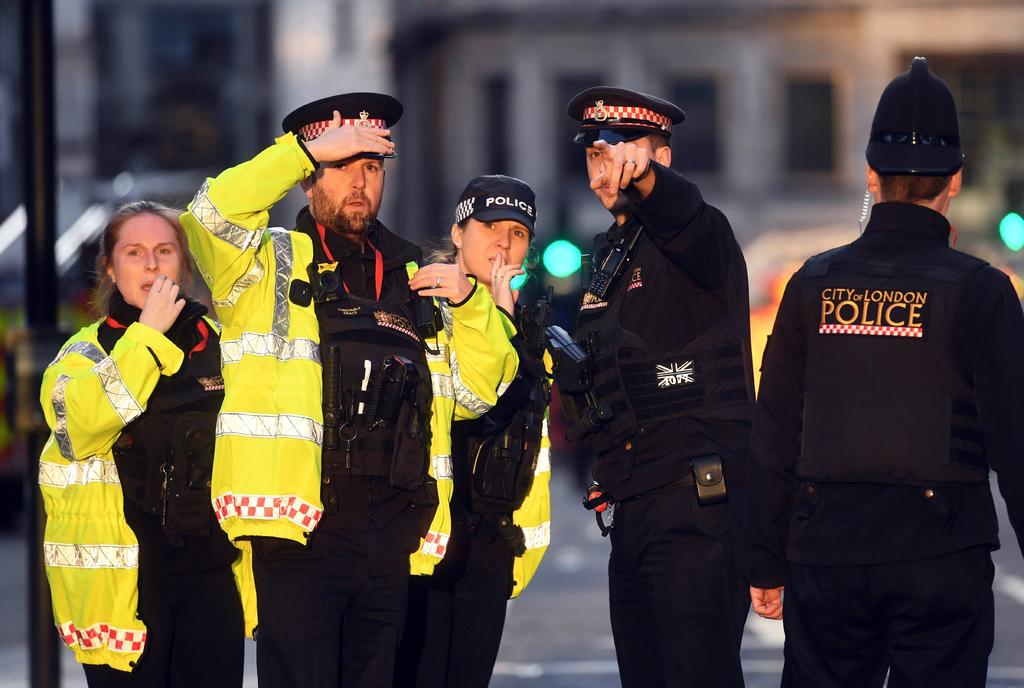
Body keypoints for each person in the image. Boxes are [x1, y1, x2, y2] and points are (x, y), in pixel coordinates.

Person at [179, 92, 519, 687]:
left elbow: (475, 394)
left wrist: (471, 309)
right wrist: (301, 151)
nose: (359, 182)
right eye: (341, 166)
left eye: (371, 166)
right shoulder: (264, 263)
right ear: (310, 181)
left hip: (391, 528)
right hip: (298, 525)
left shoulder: (419, 274)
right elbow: (208, 215)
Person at [746, 57, 1024, 688]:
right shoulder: (982, 291)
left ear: (870, 174)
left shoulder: (812, 282)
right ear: (954, 179)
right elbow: (1017, 444)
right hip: (941, 555)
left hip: (827, 553)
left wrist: (763, 557)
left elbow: (775, 431)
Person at [557, 87, 754, 687]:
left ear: (658, 160)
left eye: (619, 152)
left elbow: (683, 213)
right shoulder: (611, 258)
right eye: (594, 155)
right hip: (634, 501)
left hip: (695, 503)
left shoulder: (697, 236)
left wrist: (644, 180)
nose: (604, 169)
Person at [38, 201, 253, 686]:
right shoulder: (83, 354)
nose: (152, 264)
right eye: (134, 252)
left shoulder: (222, 347)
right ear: (111, 269)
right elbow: (84, 426)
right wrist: (147, 336)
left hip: (210, 581)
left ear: (184, 263)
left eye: (164, 250)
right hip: (127, 592)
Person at [396, 175, 552, 688]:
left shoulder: (529, 329)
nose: (503, 242)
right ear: (457, 233)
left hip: (490, 540)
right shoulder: (417, 303)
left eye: (518, 232)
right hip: (424, 532)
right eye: (488, 226)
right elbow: (469, 402)